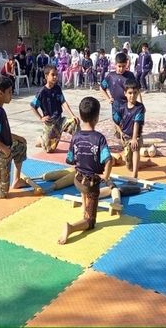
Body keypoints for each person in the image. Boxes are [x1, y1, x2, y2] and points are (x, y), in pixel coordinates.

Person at [58, 96, 112, 245]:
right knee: (91, 221)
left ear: (81, 116)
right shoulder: (99, 138)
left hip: (77, 180)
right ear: (97, 117)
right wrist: (105, 177)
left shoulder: (75, 136)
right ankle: (72, 227)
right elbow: (109, 160)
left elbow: (70, 159)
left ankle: (84, 209)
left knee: (83, 178)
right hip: (90, 184)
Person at [30, 65, 80, 152]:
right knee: (49, 150)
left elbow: (63, 102)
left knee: (75, 123)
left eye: (56, 75)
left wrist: (72, 115)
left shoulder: (57, 88)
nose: (55, 77)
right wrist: (41, 118)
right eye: (52, 75)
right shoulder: (42, 92)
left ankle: (78, 146)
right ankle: (41, 140)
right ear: (46, 76)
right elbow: (33, 106)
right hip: (50, 123)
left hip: (60, 121)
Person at [113, 79, 145, 179]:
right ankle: (145, 164)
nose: (132, 95)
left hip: (136, 137)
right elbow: (116, 120)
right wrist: (120, 132)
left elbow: (137, 123)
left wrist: (135, 138)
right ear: (125, 94)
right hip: (126, 137)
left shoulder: (140, 108)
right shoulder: (122, 108)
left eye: (135, 93)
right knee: (129, 166)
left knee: (135, 149)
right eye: (130, 93)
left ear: (138, 93)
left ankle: (135, 175)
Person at [100, 52, 138, 128]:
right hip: (116, 105)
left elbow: (137, 89)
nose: (121, 69)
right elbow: (102, 88)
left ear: (126, 64)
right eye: (119, 66)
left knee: (129, 125)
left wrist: (139, 102)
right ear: (115, 64)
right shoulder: (111, 76)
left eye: (123, 66)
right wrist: (108, 98)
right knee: (117, 122)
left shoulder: (130, 75)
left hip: (128, 104)